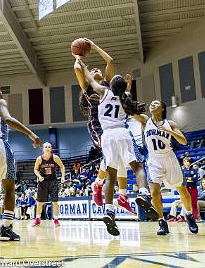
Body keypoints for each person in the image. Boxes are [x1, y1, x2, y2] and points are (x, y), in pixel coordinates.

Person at [79, 60, 157, 236]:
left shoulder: (104, 93)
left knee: (110, 176)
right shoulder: (125, 98)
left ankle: (109, 211)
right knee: (138, 167)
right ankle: (143, 194)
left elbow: (91, 80)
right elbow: (126, 93)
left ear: (110, 85)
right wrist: (128, 85)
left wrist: (82, 65)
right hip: (122, 133)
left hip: (107, 136)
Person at [73, 39, 134, 214]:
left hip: (115, 125)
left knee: (121, 158)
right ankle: (100, 186)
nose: (95, 70)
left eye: (97, 69)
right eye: (92, 70)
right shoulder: (88, 87)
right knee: (112, 156)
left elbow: (110, 61)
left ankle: (119, 195)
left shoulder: (108, 85)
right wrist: (78, 56)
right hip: (97, 126)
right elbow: (78, 69)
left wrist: (93, 46)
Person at [0, 83, 41, 241]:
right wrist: (30, 134)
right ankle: (6, 228)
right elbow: (8, 119)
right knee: (9, 188)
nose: (0, 88)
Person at [133, 100, 198, 235]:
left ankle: (189, 215)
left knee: (183, 190)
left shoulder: (170, 123)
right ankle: (162, 222)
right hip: (154, 159)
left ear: (162, 108)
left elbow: (183, 141)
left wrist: (170, 131)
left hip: (170, 158)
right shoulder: (146, 121)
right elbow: (131, 114)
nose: (152, 104)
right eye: (151, 103)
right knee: (155, 193)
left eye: (156, 103)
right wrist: (126, 93)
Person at [33, 142, 65, 227]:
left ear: (51, 149)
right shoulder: (39, 159)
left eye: (49, 147)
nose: (47, 148)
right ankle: (37, 219)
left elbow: (62, 166)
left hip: (53, 181)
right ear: (43, 149)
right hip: (43, 181)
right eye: (46, 147)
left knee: (55, 202)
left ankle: (56, 220)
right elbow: (35, 169)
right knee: (40, 202)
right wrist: (39, 176)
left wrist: (63, 176)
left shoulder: (55, 158)